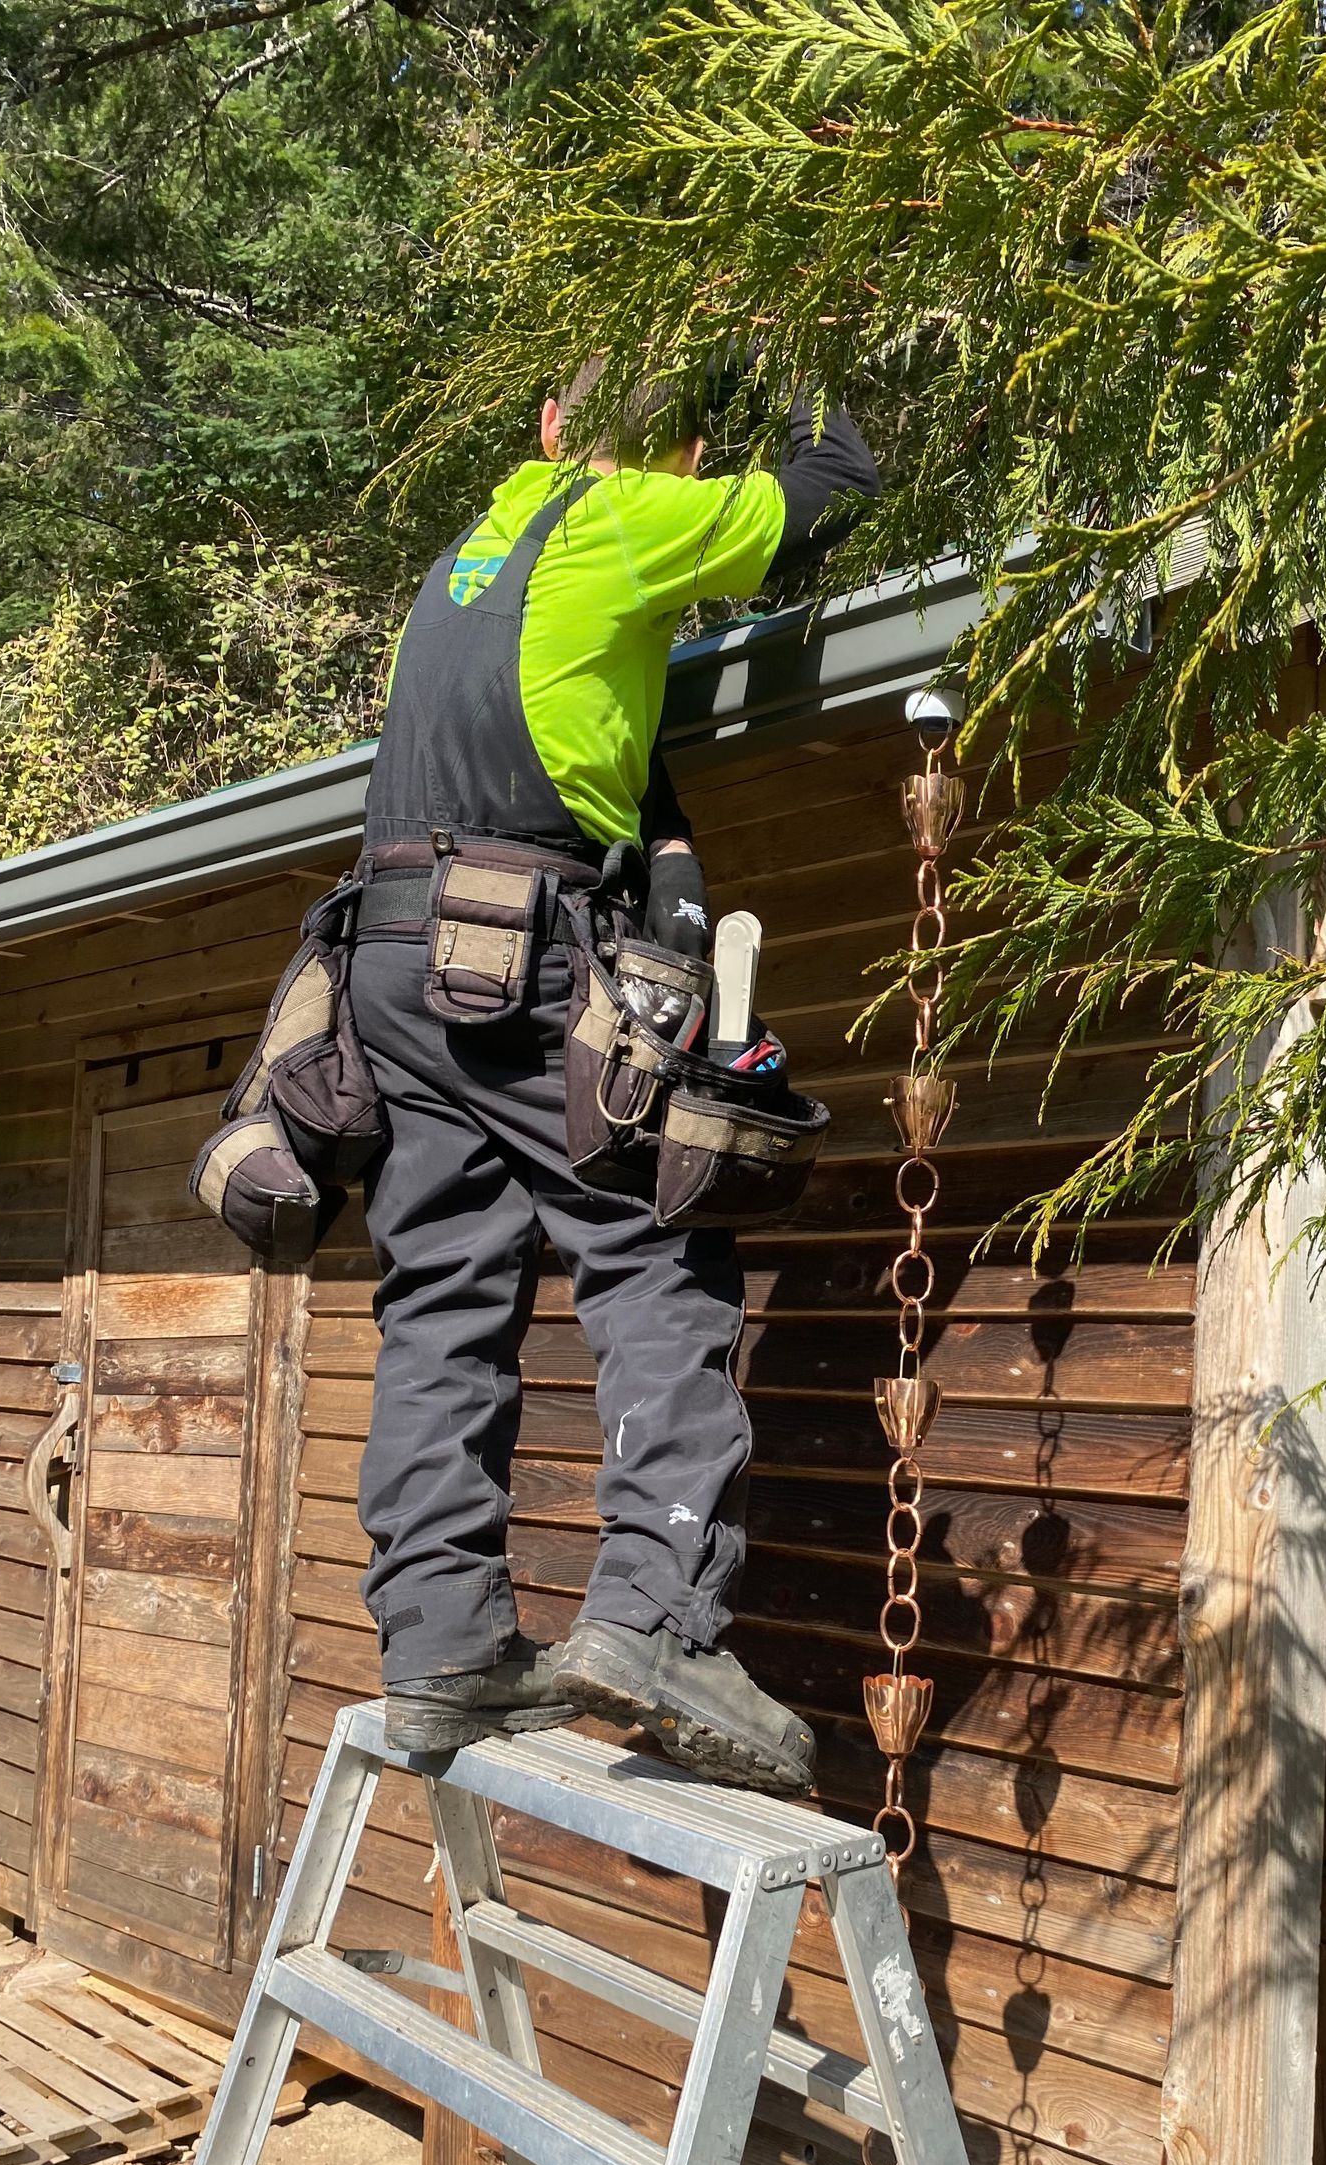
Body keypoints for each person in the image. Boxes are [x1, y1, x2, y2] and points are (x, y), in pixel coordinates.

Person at [350, 359, 879, 1790]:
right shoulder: (624, 515)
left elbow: (594, 742)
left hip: (387, 958)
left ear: (542, 423)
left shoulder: (469, 553)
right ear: (685, 451)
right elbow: (829, 490)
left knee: (445, 1295)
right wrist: (811, 361)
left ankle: (443, 1650)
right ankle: (660, 1621)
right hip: (517, 941)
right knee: (654, 1249)